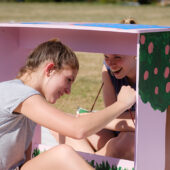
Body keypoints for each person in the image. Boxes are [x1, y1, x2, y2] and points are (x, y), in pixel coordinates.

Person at [0, 39, 136, 170]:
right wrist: (122, 103)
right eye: (68, 79)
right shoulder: (20, 94)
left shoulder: (22, 96)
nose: (68, 91)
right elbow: (78, 130)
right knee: (63, 154)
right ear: (50, 69)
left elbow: (26, 160)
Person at [52, 18, 137, 161]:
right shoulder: (108, 70)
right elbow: (112, 113)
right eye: (106, 57)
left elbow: (146, 124)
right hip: (119, 129)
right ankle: (95, 160)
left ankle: (83, 162)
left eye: (117, 57)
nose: (111, 63)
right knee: (61, 124)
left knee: (125, 142)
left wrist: (92, 119)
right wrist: (93, 120)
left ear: (135, 53)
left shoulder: (150, 75)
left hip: (139, 136)